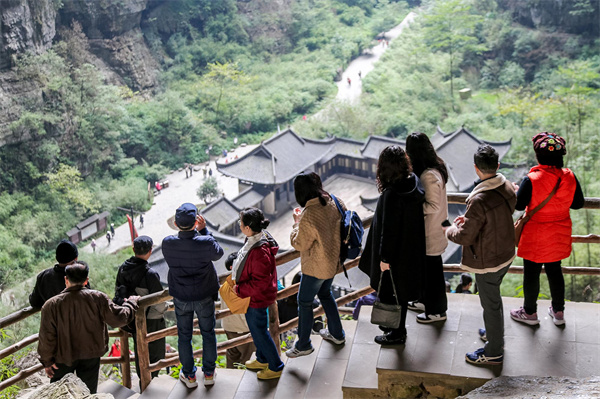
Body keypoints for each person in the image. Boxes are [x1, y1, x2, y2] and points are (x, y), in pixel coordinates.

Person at [444, 144, 516, 365]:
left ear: (476, 168)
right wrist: (468, 223)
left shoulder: (477, 199)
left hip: (488, 260)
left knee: (491, 303)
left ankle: (493, 351)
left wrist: (450, 230)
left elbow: (464, 238)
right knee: (493, 299)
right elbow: (502, 213)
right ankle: (493, 333)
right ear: (498, 165)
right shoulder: (507, 187)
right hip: (506, 251)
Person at [510, 132, 584, 326]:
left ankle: (529, 313)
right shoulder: (569, 176)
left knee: (531, 273)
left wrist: (517, 191)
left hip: (535, 233)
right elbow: (577, 203)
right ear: (561, 156)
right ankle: (558, 312)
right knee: (555, 271)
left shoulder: (532, 179)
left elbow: (518, 206)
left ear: (538, 156)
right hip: (559, 231)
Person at [358, 145, 426, 345]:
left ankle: (397, 332)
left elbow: (389, 230)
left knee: (394, 291)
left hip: (394, 255)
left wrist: (385, 258)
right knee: (401, 291)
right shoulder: (414, 183)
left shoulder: (392, 195)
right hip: (410, 249)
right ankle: (394, 327)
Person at [37, 263, 139, 393]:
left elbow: (47, 337)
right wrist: (131, 303)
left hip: (62, 357)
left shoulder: (51, 305)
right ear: (86, 280)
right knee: (89, 392)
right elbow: (118, 318)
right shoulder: (97, 298)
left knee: (59, 392)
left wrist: (47, 361)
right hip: (91, 353)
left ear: (66, 280)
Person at [162, 203, 224, 388]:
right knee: (208, 333)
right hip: (204, 295)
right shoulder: (205, 242)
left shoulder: (167, 243)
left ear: (175, 223)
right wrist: (204, 230)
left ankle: (189, 376)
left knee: (184, 336)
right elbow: (218, 253)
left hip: (181, 296)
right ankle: (209, 373)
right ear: (196, 221)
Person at [286, 172, 346, 358]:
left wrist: (296, 224)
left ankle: (303, 344)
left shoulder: (309, 214)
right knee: (325, 294)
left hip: (316, 268)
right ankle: (337, 333)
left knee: (303, 302)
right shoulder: (335, 201)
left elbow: (299, 244)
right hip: (334, 261)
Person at [232, 208, 285, 379]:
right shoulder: (257, 239)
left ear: (247, 228)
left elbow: (260, 283)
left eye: (241, 223)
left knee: (260, 332)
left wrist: (239, 290)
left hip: (256, 298)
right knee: (256, 331)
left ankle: (276, 366)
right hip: (254, 296)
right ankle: (262, 359)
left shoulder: (259, 251)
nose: (239, 226)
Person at [405, 132, 449, 323]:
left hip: (430, 232)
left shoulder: (428, 175)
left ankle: (437, 311)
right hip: (433, 230)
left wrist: (411, 207)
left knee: (434, 275)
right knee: (428, 270)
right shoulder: (434, 168)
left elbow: (434, 205)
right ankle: (424, 301)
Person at [114, 235, 166, 381]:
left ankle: (143, 381)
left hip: (132, 318)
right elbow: (159, 301)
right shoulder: (150, 274)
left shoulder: (123, 268)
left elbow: (118, 291)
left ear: (133, 249)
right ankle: (151, 383)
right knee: (155, 353)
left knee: (140, 350)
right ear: (150, 251)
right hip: (152, 320)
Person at [30, 240, 88, 308]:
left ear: (57, 258)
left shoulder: (43, 277)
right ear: (76, 258)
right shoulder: (78, 273)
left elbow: (34, 302)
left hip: (56, 317)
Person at [222, 253, 255, 370]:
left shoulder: (225, 283)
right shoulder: (240, 283)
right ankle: (246, 384)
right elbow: (241, 309)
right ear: (233, 266)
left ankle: (231, 378)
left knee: (232, 354)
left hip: (228, 325)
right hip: (242, 327)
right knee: (248, 356)